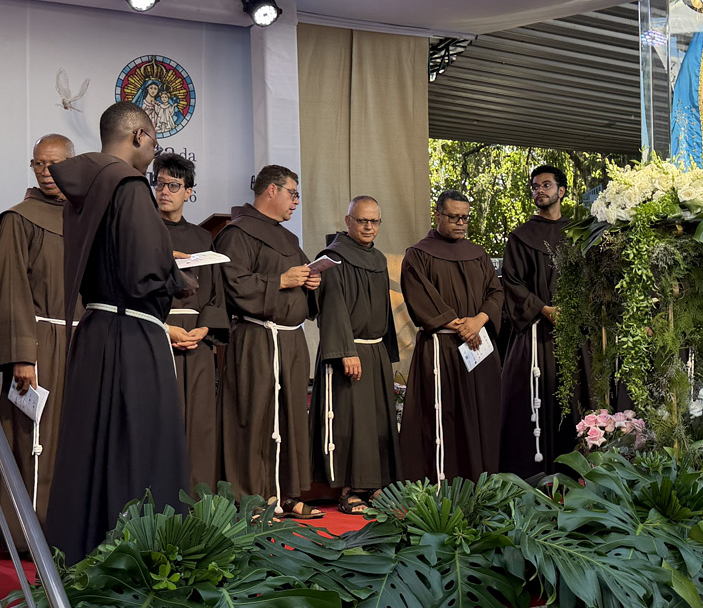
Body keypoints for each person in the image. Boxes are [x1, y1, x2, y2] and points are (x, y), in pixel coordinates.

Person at [43, 102, 193, 562]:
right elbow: (142, 273)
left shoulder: (86, 184)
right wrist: (177, 277)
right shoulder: (128, 184)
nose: (152, 154)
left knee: (94, 448)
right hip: (132, 336)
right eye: (153, 143)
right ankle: (140, 560)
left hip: (97, 331)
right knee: (139, 445)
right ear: (139, 136)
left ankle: (85, 552)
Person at [216, 165, 322, 519]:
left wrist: (311, 283)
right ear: (271, 191)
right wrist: (281, 281)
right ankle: (252, 498)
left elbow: (298, 278)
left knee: (291, 415)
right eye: (292, 193)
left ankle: (286, 493)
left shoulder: (288, 239)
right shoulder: (237, 233)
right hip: (256, 336)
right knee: (254, 415)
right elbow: (233, 285)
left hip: (290, 341)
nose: (296, 201)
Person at [0, 134, 75, 545]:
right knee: (30, 438)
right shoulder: (19, 217)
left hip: (79, 340)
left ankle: (64, 525)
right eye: (39, 164)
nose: (46, 172)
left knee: (70, 438)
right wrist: (23, 355)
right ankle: (24, 534)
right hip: (38, 340)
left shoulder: (86, 216)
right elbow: (11, 292)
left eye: (55, 164)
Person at [400, 191, 505, 483]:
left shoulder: (479, 253)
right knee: (446, 417)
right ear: (437, 215)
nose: (461, 223)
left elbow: (496, 292)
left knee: (482, 415)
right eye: (454, 217)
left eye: (465, 218)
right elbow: (421, 297)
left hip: (478, 346)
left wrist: (479, 320)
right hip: (441, 348)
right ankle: (443, 486)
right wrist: (462, 327)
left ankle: (483, 483)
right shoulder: (418, 254)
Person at [311, 196, 401, 510]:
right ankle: (348, 490)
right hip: (349, 352)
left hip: (374, 351)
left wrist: (385, 352)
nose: (368, 226)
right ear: (348, 221)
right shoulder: (334, 257)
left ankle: (374, 486)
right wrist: (346, 351)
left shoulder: (376, 258)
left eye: (374, 221)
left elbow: (383, 312)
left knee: (376, 423)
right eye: (362, 220)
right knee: (350, 423)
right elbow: (333, 307)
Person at [497, 166, 577, 478]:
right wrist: (544, 309)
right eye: (534, 186)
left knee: (572, 401)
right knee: (529, 404)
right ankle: (528, 475)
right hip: (534, 334)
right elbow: (512, 283)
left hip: (572, 335)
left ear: (562, 191)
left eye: (546, 185)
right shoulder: (520, 237)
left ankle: (573, 474)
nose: (539, 191)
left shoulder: (578, 233)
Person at [155, 152, 228, 489]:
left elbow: (215, 293)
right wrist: (163, 328)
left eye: (174, 185)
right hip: (156, 336)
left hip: (197, 341)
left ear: (189, 192)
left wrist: (206, 328)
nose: (164, 190)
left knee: (199, 425)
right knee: (159, 422)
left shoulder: (202, 239)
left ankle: (200, 504)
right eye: (159, 183)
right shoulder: (143, 231)